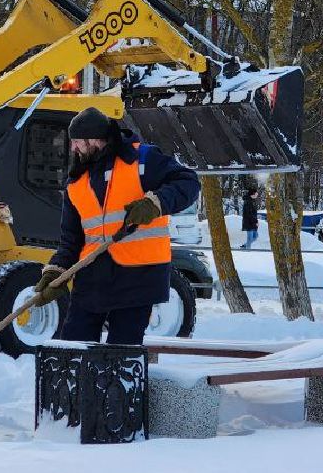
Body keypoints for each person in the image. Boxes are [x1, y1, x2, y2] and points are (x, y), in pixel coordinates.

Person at [35, 107, 200, 345]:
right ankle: (80, 383)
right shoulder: (76, 183)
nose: (74, 148)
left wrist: (156, 203)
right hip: (92, 279)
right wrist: (56, 271)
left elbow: (188, 182)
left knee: (121, 350)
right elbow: (71, 239)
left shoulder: (142, 160)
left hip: (138, 276)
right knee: (73, 346)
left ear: (95, 140)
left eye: (78, 142)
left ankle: (119, 382)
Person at [241, 183, 260, 249]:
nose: (257, 195)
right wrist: (255, 222)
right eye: (256, 193)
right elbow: (249, 214)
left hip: (253, 222)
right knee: (250, 237)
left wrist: (256, 221)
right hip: (249, 222)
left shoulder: (252, 201)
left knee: (255, 236)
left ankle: (244, 246)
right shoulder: (248, 201)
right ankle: (248, 250)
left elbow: (253, 213)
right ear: (253, 194)